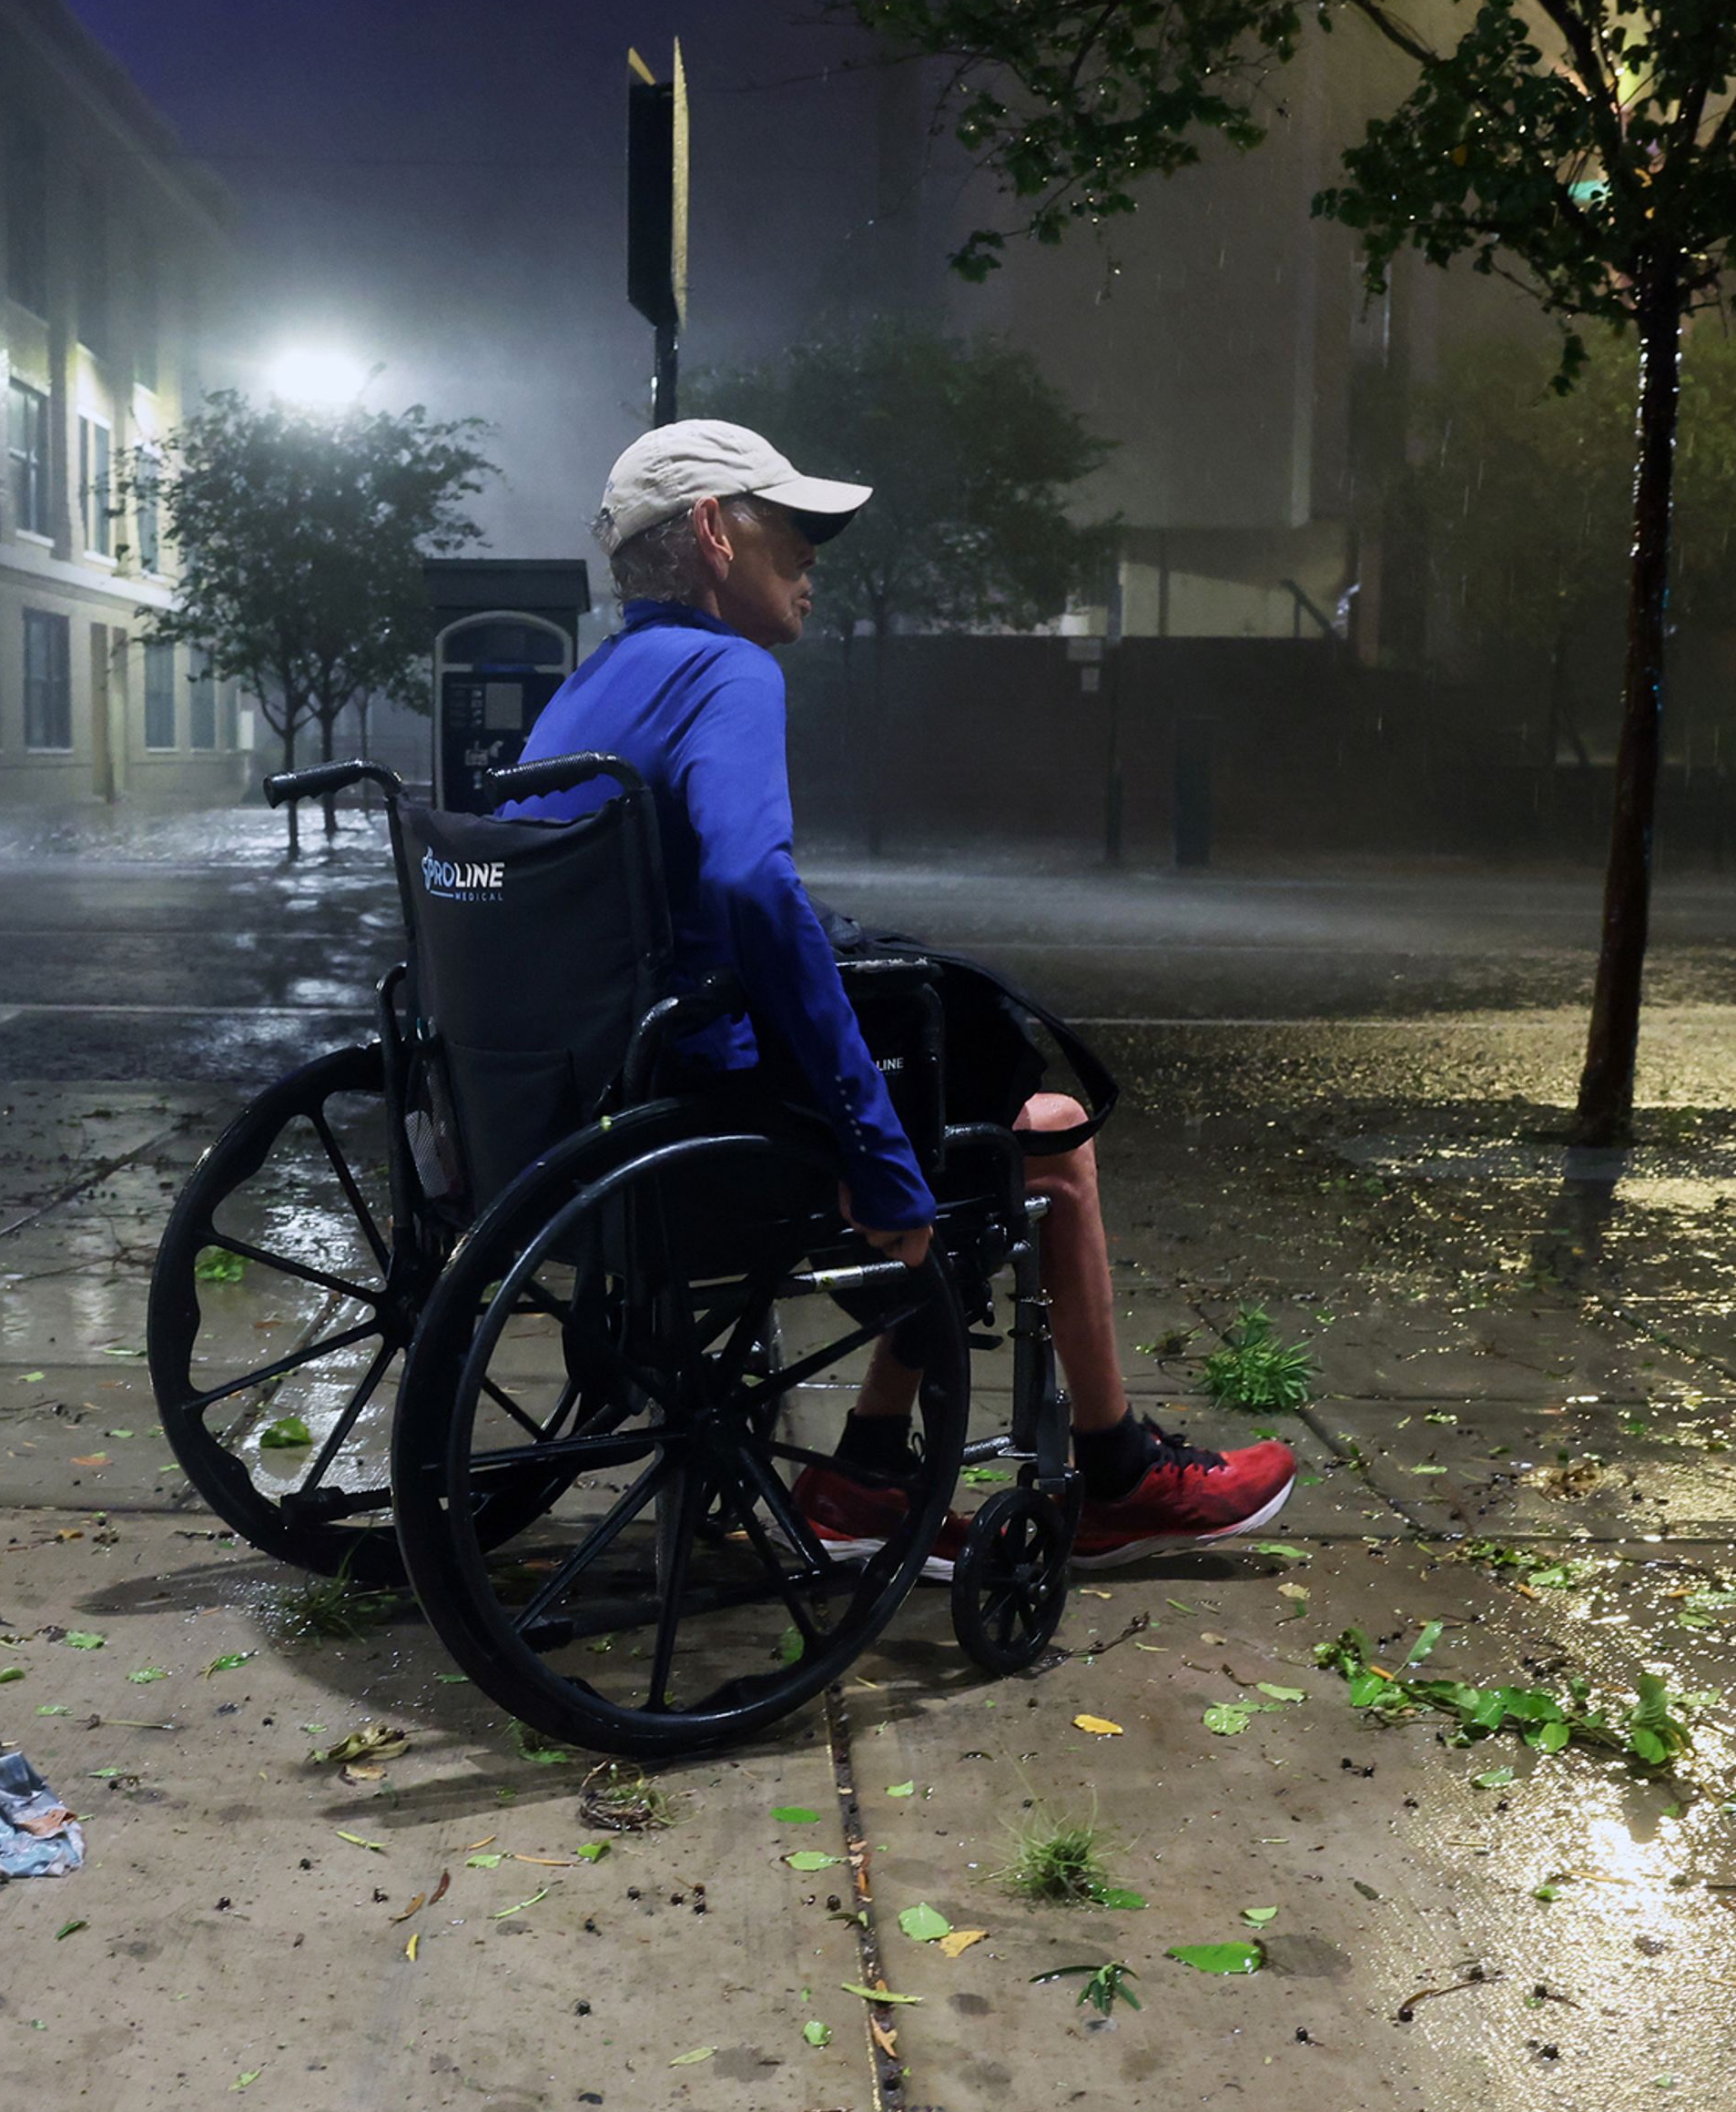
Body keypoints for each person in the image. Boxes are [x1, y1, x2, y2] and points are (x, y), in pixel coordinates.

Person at [499, 418, 1295, 1573]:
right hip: (706, 1123)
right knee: (1041, 1131)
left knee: (951, 1084)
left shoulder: (584, 693)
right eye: (795, 531)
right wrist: (875, 1147)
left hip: (587, 1108)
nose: (815, 559)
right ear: (715, 534)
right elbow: (749, 884)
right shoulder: (729, 668)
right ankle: (1114, 1470)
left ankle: (873, 1464)